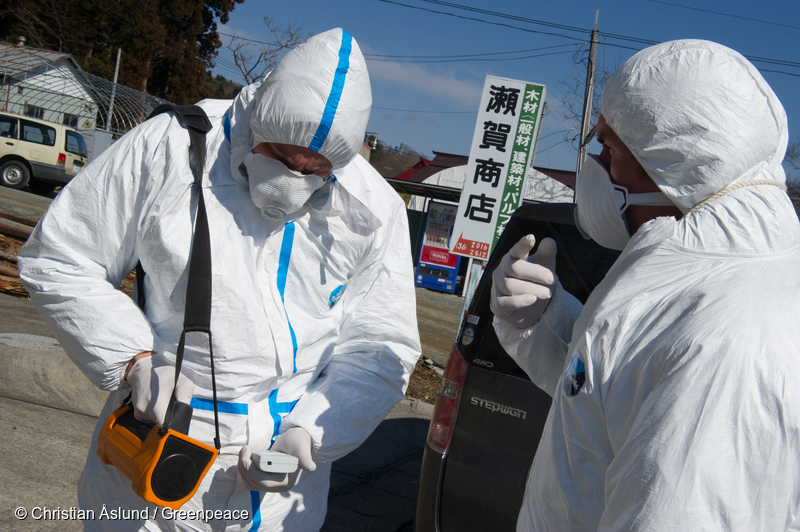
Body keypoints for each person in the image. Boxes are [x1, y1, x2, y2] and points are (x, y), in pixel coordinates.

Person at [17, 28, 421, 532]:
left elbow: (382, 342)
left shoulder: (373, 205)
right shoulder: (171, 147)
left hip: (282, 490)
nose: (296, 178)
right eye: (282, 155)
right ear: (256, 118)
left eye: (315, 169)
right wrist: (134, 360)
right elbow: (60, 256)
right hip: (162, 447)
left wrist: (314, 432)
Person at [490, 39, 800, 530]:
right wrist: (546, 321)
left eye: (610, 146)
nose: (599, 165)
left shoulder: (724, 340)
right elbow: (613, 399)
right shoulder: (692, 273)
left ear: (671, 163)